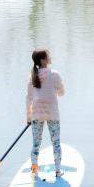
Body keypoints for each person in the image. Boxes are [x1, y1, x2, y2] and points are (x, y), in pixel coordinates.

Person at [26, 48, 65, 177]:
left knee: (36, 144)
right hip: (52, 114)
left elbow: (29, 97)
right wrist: (53, 93)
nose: (50, 57)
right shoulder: (55, 74)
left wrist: (28, 116)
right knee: (56, 143)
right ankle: (58, 171)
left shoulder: (33, 75)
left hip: (36, 114)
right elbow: (62, 92)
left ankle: (34, 170)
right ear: (43, 60)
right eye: (48, 55)